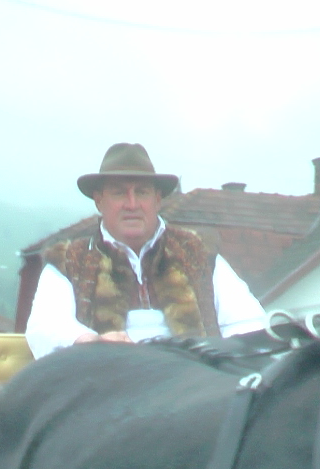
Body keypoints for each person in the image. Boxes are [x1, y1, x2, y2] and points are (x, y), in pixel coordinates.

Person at [24, 143, 268, 359]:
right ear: (99, 201)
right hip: (104, 396)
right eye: (119, 193)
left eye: (141, 192)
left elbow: (249, 324)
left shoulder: (199, 254)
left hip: (193, 393)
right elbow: (45, 327)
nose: (132, 204)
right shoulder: (69, 261)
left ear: (157, 199)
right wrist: (93, 342)